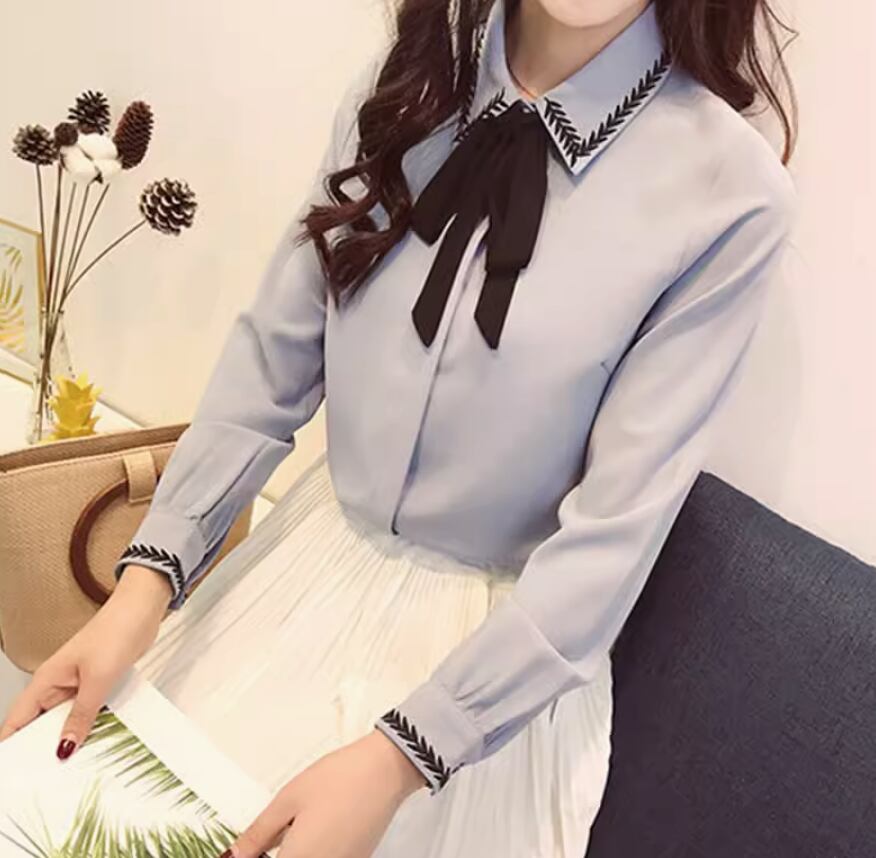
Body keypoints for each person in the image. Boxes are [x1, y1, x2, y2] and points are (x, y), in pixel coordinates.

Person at [0, 0, 798, 855]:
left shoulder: (729, 195)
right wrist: (142, 590)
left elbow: (612, 542)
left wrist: (399, 758)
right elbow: (271, 364)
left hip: (487, 678)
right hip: (293, 581)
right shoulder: (407, 84)